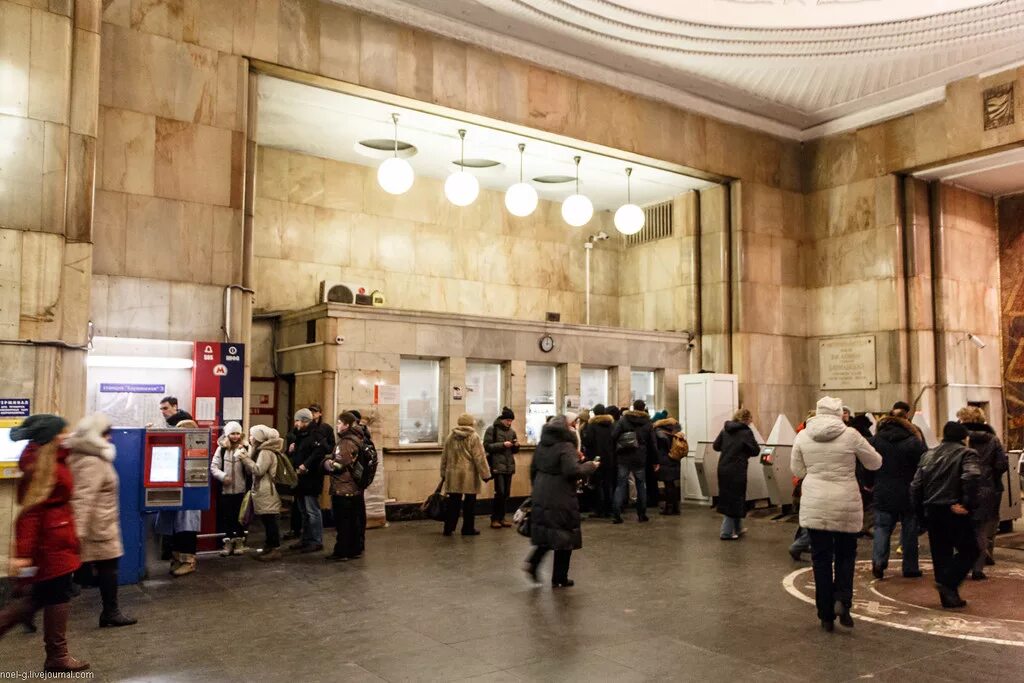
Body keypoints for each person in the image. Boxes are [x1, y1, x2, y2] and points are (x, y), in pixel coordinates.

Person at [0, 415, 89, 671]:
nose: (67, 435)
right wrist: (23, 553)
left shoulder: (51, 457)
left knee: (43, 597)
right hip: (51, 542)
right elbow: (31, 513)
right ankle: (57, 657)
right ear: (51, 437)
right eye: (63, 432)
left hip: (58, 536)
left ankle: (57, 656)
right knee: (49, 596)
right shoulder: (41, 465)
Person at [791, 396, 882, 631]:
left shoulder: (802, 436)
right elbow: (875, 462)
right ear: (840, 413)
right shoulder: (851, 435)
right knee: (845, 555)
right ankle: (843, 599)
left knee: (820, 559)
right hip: (845, 502)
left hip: (815, 503)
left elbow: (797, 470)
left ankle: (825, 614)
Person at [66, 414, 136, 628]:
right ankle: (110, 612)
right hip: (98, 527)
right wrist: (77, 533)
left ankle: (110, 611)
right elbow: (83, 497)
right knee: (107, 569)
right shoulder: (92, 460)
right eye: (106, 434)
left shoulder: (90, 455)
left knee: (107, 569)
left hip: (101, 523)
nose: (110, 438)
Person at [911, 421, 981, 608]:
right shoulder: (967, 454)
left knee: (941, 554)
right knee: (970, 550)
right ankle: (948, 584)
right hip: (955, 508)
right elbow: (971, 477)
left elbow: (916, 486)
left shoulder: (928, 455)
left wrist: (920, 513)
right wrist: (967, 504)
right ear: (963, 437)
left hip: (933, 509)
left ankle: (948, 597)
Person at [524, 415, 598, 587]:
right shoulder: (565, 446)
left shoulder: (543, 445)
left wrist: (536, 489)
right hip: (561, 493)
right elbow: (572, 471)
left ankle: (533, 563)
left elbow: (533, 469)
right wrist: (590, 466)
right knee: (565, 534)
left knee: (550, 532)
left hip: (542, 490)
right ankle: (559, 577)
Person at [869, 411, 927, 579]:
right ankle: (910, 568)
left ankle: (879, 562)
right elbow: (925, 465)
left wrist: (869, 483)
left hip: (883, 490)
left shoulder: (874, 442)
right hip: (909, 492)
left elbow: (866, 465)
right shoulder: (914, 442)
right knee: (909, 530)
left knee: (882, 528)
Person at [956, 406, 1007, 581]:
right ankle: (980, 565)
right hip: (988, 488)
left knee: (964, 526)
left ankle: (964, 562)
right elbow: (1002, 464)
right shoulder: (993, 439)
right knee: (984, 527)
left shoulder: (960, 439)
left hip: (962, 487)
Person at [155, 419, 202, 577]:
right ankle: (176, 558)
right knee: (176, 528)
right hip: (176, 491)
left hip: (189, 493)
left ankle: (189, 561)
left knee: (187, 528)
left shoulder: (198, 449)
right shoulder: (176, 448)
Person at [325, 412, 369, 561]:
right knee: (353, 521)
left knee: (343, 522)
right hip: (355, 487)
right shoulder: (359, 438)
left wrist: (327, 463)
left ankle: (342, 551)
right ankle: (354, 549)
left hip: (343, 488)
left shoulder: (345, 442)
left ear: (347, 425)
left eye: (339, 423)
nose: (337, 425)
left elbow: (339, 464)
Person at [440, 414, 492, 536]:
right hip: (469, 474)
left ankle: (449, 528)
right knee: (470, 503)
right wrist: (486, 475)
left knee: (453, 503)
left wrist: (443, 473)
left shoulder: (450, 437)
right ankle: (468, 528)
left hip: (453, 474)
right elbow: (480, 457)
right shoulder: (474, 437)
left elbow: (444, 457)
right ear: (470, 423)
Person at [712, 408, 760, 539]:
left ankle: (738, 529)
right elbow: (756, 450)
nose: (751, 421)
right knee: (734, 498)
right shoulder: (746, 432)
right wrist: (744, 451)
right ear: (746, 419)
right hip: (737, 469)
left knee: (732, 497)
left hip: (723, 467)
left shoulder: (725, 429)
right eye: (751, 418)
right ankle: (726, 532)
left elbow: (716, 446)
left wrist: (729, 448)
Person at [289, 408, 330, 553]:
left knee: (312, 510)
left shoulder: (316, 434)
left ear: (305, 421)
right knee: (303, 511)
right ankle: (306, 539)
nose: (296, 423)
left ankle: (316, 540)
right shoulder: (299, 435)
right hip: (299, 479)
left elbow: (321, 451)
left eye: (298, 420)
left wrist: (306, 465)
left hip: (311, 479)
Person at [241, 425, 284, 561]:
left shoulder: (266, 452)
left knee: (270, 520)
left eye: (252, 435)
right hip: (263, 490)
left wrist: (244, 458)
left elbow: (259, 470)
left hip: (267, 490)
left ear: (259, 438)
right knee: (267, 520)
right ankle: (269, 547)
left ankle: (274, 549)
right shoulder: (260, 450)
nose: (250, 437)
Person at [610, 400, 658, 523]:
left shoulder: (624, 420)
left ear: (633, 407)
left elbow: (614, 436)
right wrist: (655, 460)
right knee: (641, 485)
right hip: (640, 457)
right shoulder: (647, 422)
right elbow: (653, 443)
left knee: (620, 485)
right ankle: (642, 514)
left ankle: (616, 514)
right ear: (644, 408)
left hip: (624, 456)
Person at [210, 421, 250, 556]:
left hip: (241, 489)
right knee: (227, 517)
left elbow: (250, 467)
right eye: (232, 433)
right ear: (227, 434)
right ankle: (227, 542)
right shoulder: (221, 449)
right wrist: (223, 477)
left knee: (240, 517)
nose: (235, 436)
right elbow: (214, 467)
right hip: (225, 491)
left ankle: (239, 541)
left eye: (238, 433)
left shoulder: (245, 448)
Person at [483, 407, 519, 529]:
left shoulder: (512, 432)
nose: (509, 423)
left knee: (506, 494)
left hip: (508, 465)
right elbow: (487, 446)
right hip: (497, 465)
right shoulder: (492, 430)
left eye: (511, 421)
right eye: (508, 420)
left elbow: (514, 450)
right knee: (500, 492)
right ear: (502, 419)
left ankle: (502, 518)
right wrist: (502, 445)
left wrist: (516, 446)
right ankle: (494, 518)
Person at [583, 404, 616, 518]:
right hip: (610, 458)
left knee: (598, 484)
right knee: (608, 484)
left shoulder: (592, 425)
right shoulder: (611, 425)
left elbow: (588, 441)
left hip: (597, 458)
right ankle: (610, 508)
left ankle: (600, 509)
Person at [653, 413, 683, 515]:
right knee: (672, 484)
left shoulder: (659, 433)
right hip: (674, 459)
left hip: (665, 461)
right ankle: (675, 507)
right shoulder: (676, 432)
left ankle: (668, 508)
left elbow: (657, 448)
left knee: (668, 485)